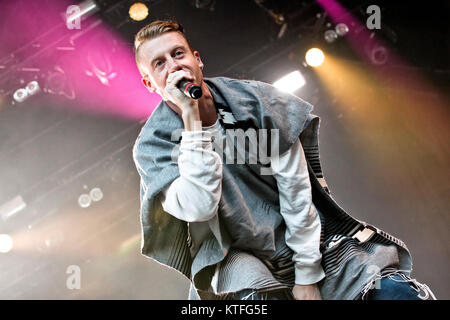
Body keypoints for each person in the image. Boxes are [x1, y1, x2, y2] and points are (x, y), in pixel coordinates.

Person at [132, 20, 435, 300]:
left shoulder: (258, 102)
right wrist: (191, 118)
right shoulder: (153, 147)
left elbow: (297, 193)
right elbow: (199, 206)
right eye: (160, 64)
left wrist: (306, 276)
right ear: (149, 84)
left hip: (305, 243)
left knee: (394, 292)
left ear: (197, 58)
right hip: (235, 260)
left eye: (178, 54)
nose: (174, 67)